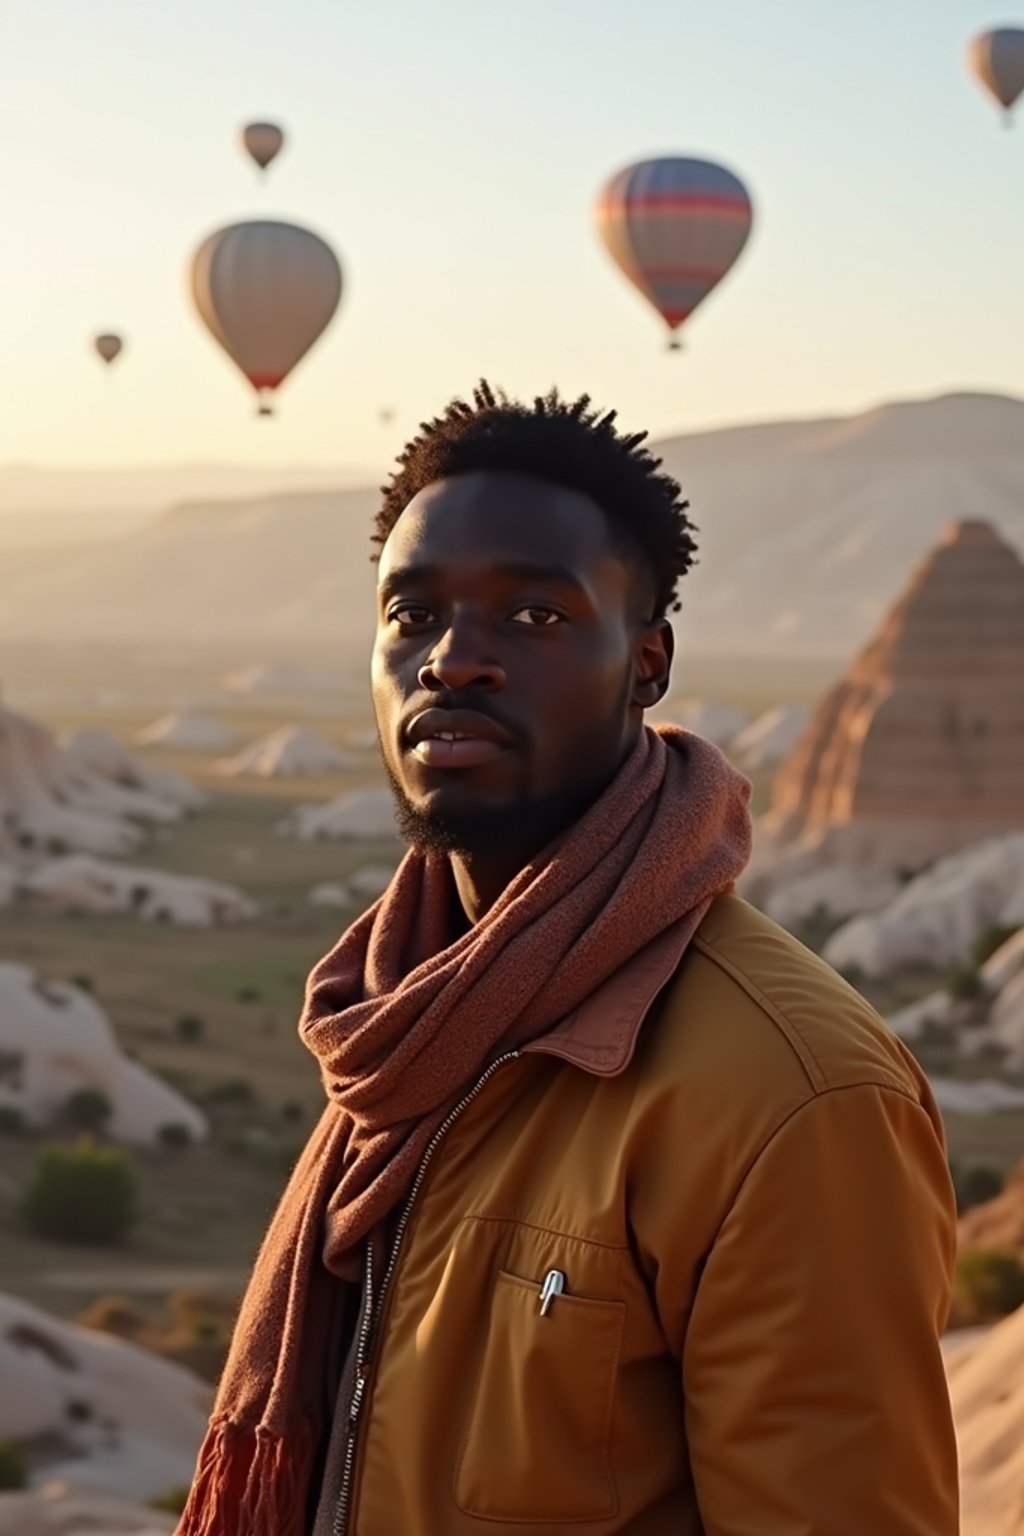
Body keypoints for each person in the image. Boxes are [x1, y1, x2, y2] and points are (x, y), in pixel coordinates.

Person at [177, 384, 959, 1536]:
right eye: (412, 614)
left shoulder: (793, 1098)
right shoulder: (411, 1017)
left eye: (534, 617)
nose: (454, 662)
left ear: (648, 663)